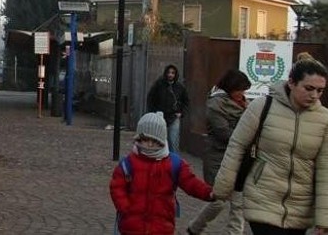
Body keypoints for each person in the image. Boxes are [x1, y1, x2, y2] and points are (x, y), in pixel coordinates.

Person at [212, 53, 328, 235]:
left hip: (300, 207)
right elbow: (237, 145)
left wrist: (324, 221)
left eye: (320, 91)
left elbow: (325, 168)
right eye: (309, 88)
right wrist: (223, 187)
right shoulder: (261, 106)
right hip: (262, 197)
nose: (314, 95)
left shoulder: (324, 119)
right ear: (291, 83)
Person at [110, 112, 214, 235]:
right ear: (138, 139)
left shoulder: (174, 163)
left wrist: (208, 192)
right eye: (145, 140)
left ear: (162, 141)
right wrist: (125, 208)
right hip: (132, 226)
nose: (149, 144)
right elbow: (117, 187)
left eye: (154, 141)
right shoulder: (128, 163)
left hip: (161, 226)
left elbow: (190, 182)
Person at [187, 69, 252, 235]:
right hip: (219, 158)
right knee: (218, 200)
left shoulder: (245, 104)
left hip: (240, 158)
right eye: (240, 90)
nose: (242, 94)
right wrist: (247, 134)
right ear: (231, 88)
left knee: (238, 202)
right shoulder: (215, 105)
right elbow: (223, 133)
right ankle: (196, 226)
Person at [146, 64, 190, 152]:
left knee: (173, 141)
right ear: (165, 73)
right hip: (160, 117)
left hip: (174, 117)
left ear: (175, 74)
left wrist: (181, 113)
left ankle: (173, 163)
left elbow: (186, 101)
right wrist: (153, 113)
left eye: (173, 73)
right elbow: (150, 98)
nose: (170, 75)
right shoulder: (159, 85)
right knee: (159, 141)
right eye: (169, 72)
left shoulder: (180, 87)